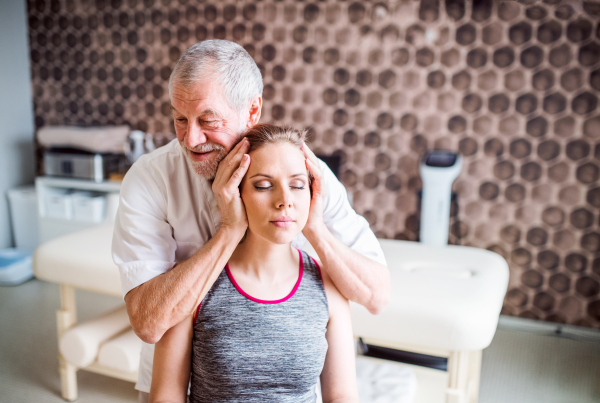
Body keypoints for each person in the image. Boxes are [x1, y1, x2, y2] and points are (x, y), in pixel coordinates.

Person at [112, 39, 390, 402]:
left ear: (252, 109)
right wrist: (230, 230)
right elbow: (149, 324)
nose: (191, 138)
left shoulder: (306, 176)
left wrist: (314, 226)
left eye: (208, 121)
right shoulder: (150, 177)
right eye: (180, 119)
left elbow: (376, 296)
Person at [149, 124, 359, 403]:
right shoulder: (195, 284)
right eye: (263, 185)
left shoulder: (328, 286)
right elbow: (166, 396)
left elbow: (342, 396)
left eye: (297, 185)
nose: (285, 201)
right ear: (235, 192)